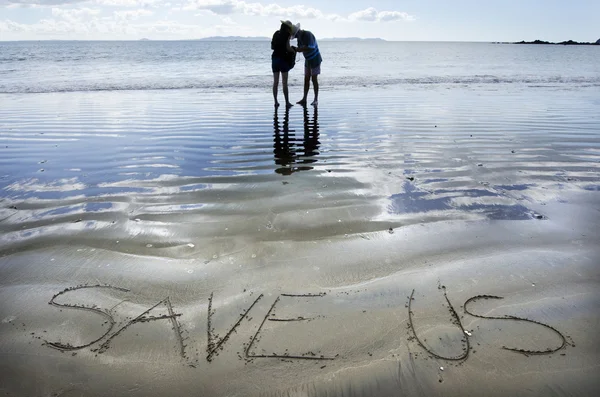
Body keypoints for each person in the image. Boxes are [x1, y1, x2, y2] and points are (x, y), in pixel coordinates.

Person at [292, 23, 322, 107]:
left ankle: (316, 99)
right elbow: (300, 49)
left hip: (315, 58)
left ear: (298, 32)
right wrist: (297, 49)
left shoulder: (308, 34)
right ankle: (304, 99)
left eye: (295, 35)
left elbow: (311, 47)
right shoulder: (299, 38)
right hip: (308, 59)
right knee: (306, 79)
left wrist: (298, 49)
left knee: (314, 79)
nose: (296, 37)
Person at [271, 21, 296, 108]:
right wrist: (294, 50)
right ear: (287, 28)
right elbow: (288, 48)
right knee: (284, 83)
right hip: (283, 59)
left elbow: (272, 47)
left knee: (275, 82)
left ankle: (276, 102)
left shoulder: (276, 33)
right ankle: (287, 102)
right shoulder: (287, 35)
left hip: (274, 59)